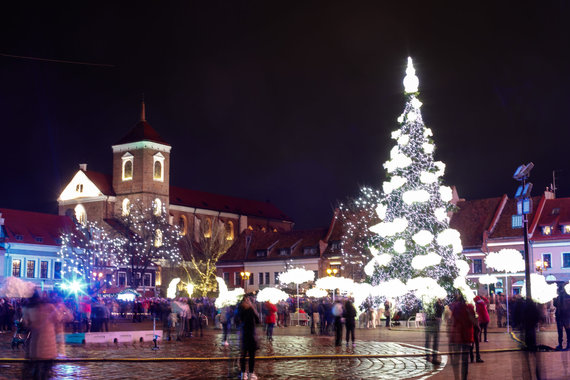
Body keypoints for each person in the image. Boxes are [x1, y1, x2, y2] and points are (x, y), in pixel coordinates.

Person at [22, 291, 58, 380]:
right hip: (49, 344)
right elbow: (57, 318)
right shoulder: (49, 307)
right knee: (46, 370)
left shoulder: (27, 309)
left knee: (36, 369)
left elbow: (25, 324)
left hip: (35, 345)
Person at [449, 293, 475, 380]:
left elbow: (453, 321)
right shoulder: (470, 307)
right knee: (464, 361)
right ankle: (464, 378)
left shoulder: (456, 307)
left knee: (456, 360)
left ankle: (457, 377)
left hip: (457, 336)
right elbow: (474, 322)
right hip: (466, 337)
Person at [239, 295, 260, 380]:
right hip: (250, 334)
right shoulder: (250, 309)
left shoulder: (240, 309)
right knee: (251, 356)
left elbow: (237, 320)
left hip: (244, 334)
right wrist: (252, 308)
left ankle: (243, 374)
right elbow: (258, 320)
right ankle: (249, 374)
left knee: (244, 355)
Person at [425, 298, 444, 365]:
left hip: (429, 321)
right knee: (434, 340)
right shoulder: (435, 303)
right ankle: (434, 358)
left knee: (428, 340)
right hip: (434, 322)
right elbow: (440, 311)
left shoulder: (428, 302)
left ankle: (428, 356)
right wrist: (440, 304)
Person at [553, 283, 570, 350]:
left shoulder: (560, 298)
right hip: (565, 317)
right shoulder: (567, 297)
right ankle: (567, 345)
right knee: (567, 331)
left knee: (562, 332)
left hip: (563, 316)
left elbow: (556, 305)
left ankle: (561, 345)